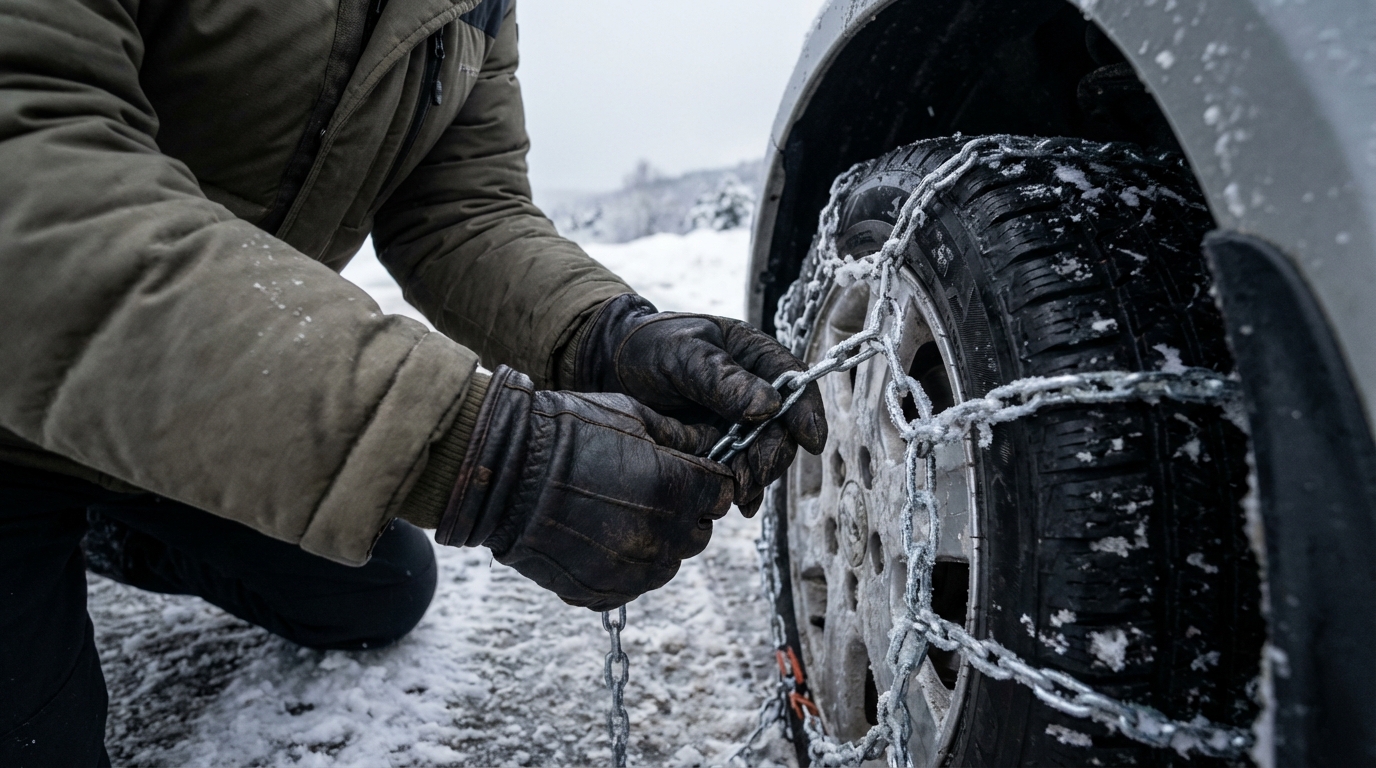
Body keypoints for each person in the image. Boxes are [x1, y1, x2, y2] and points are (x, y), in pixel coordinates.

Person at [0, 0, 828, 764]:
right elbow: (29, 168)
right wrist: (484, 459)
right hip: (12, 414)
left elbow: (461, 209)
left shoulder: (475, 7)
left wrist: (604, 333)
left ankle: (111, 521)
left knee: (381, 587)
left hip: (190, 399)